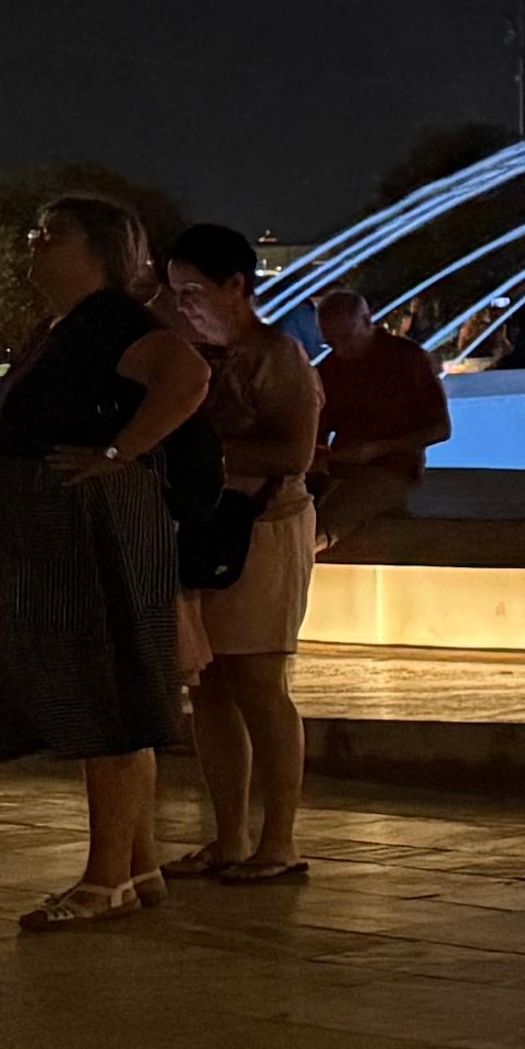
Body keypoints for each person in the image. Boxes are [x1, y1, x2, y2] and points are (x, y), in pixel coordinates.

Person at [0, 192, 211, 931]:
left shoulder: (111, 320)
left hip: (89, 524)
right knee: (110, 688)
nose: (34, 243)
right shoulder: (70, 324)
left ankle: (104, 879)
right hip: (65, 522)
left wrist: (118, 451)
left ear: (100, 250)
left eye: (51, 234)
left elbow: (186, 376)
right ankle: (136, 866)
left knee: (105, 691)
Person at [158, 224, 323, 885]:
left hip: (264, 528)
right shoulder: (199, 356)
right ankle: (229, 837)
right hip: (210, 531)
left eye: (194, 291)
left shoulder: (276, 356)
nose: (184, 306)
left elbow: (295, 452)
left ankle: (278, 840)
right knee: (212, 688)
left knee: (259, 683)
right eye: (174, 293)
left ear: (236, 286)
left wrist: (199, 452)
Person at [311, 283, 452, 555]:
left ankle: (292, 561)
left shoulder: (407, 359)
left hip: (393, 469)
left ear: (367, 321)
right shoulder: (330, 368)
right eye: (331, 343)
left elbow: (440, 428)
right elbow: (318, 427)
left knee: (327, 522)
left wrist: (376, 449)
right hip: (340, 465)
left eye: (346, 338)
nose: (340, 350)